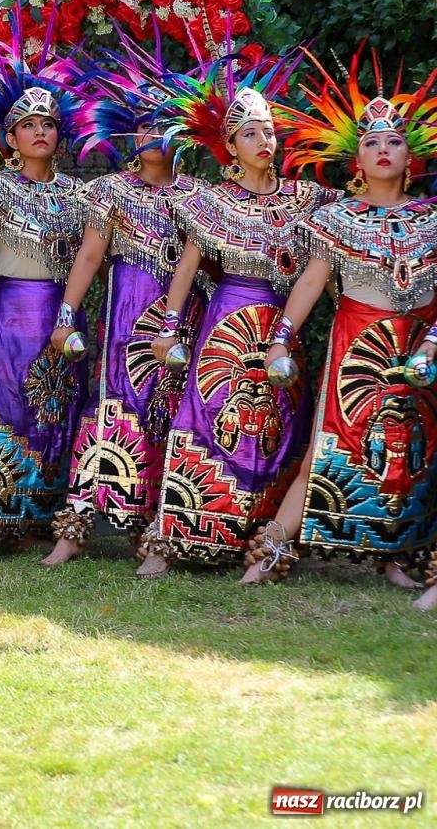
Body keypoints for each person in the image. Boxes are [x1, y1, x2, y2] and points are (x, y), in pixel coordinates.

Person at [250, 48, 437, 600]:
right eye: (372, 142)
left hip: (423, 348)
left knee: (418, 454)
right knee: (329, 448)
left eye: (394, 141)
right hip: (357, 345)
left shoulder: (432, 217)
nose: (383, 150)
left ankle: (398, 557)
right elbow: (310, 281)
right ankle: (272, 551)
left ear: (411, 157)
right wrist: (280, 337)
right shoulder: (337, 219)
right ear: (357, 160)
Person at [144, 53, 339, 578]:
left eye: (269, 132)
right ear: (230, 146)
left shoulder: (306, 199)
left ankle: (256, 538)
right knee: (207, 421)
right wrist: (168, 327)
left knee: (276, 426)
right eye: (250, 134)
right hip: (227, 321)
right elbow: (186, 270)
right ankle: (172, 540)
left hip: (281, 326)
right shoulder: (211, 202)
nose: (263, 142)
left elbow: (354, 213)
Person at [0, 17, 108, 562]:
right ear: (10, 139)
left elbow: (89, 258)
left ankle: (29, 522)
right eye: (27, 125)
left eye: (48, 125)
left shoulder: (82, 196)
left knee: (54, 416)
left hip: (60, 316)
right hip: (8, 313)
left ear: (59, 137)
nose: (40, 132)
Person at [43, 38, 207, 565]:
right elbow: (88, 260)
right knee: (112, 414)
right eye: (145, 125)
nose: (155, 135)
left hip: (185, 321)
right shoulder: (112, 191)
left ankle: (157, 532)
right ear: (130, 135)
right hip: (125, 321)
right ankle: (73, 531)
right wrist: (66, 317)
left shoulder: (200, 195)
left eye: (166, 125)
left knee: (173, 417)